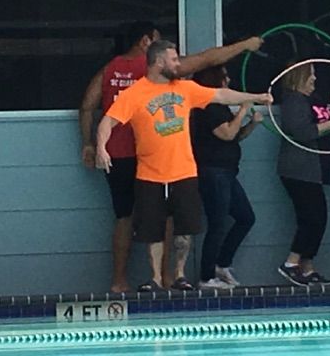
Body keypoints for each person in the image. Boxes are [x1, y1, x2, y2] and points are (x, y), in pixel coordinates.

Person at [79, 24, 263, 292]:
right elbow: (208, 58)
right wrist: (245, 45)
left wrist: (89, 144)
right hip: (142, 165)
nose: (178, 62)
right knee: (153, 225)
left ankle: (151, 278)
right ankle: (158, 278)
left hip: (149, 163)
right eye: (174, 57)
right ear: (150, 47)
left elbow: (88, 105)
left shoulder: (111, 70)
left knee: (138, 220)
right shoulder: (139, 89)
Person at [190, 65, 262, 289]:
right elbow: (227, 133)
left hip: (228, 172)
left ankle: (222, 263)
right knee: (217, 224)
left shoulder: (220, 108)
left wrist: (251, 124)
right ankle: (206, 276)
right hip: (213, 172)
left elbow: (235, 136)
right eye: (224, 76)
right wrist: (243, 109)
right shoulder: (208, 107)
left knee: (245, 217)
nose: (229, 79)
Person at [276, 63, 330, 286]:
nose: (314, 79)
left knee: (315, 217)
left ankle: (307, 269)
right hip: (299, 168)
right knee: (313, 218)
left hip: (314, 167)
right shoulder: (293, 100)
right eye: (311, 75)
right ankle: (291, 263)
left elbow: (327, 126)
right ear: (299, 77)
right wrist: (329, 126)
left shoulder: (311, 99)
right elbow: (301, 131)